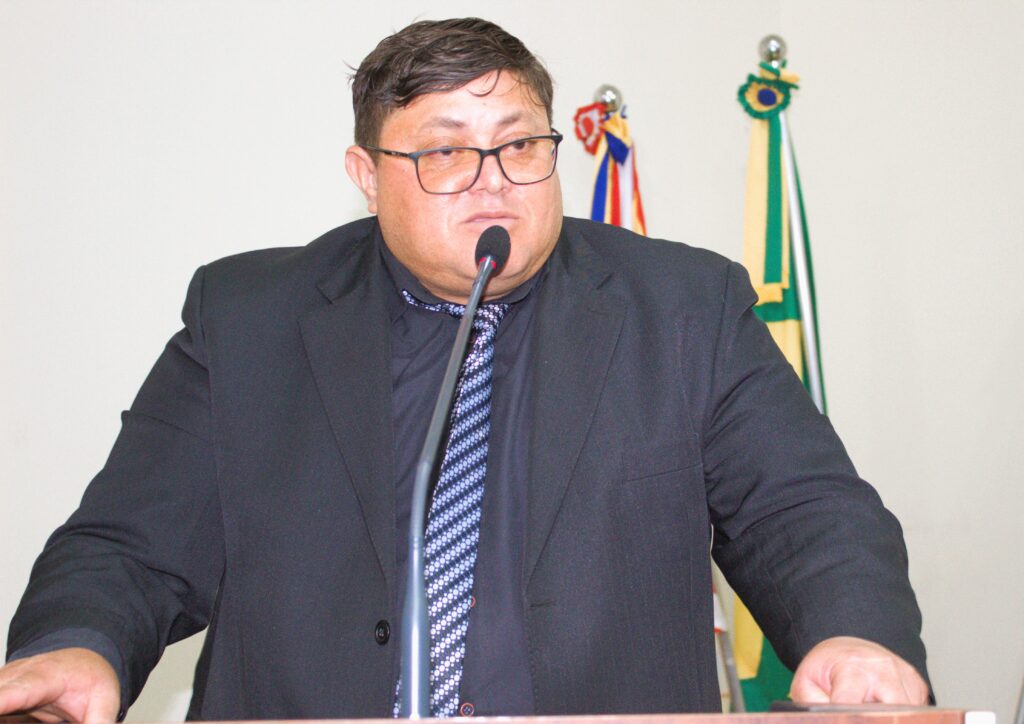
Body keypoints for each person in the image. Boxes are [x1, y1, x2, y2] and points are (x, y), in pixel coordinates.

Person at [1, 17, 929, 723]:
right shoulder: (248, 318)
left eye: (520, 145)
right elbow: (132, 543)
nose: (494, 180)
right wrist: (78, 646)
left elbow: (803, 509)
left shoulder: (684, 307)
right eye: (445, 151)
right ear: (367, 174)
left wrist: (855, 633)